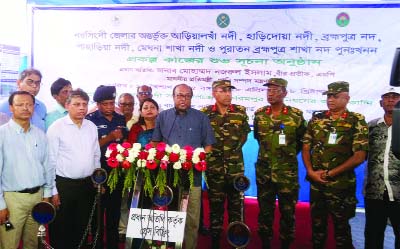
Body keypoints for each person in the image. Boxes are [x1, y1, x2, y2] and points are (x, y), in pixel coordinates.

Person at [302, 81, 368, 249]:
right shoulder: (317, 119)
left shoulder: (356, 120)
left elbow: (359, 156)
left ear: (346, 98)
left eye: (335, 96)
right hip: (317, 183)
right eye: (329, 96)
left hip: (341, 185)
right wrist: (310, 171)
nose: (330, 99)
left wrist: (330, 174)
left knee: (341, 229)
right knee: (317, 228)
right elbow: (306, 147)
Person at [152, 84, 216, 249]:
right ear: (173, 97)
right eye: (180, 95)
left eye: (187, 96)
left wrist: (199, 159)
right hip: (168, 175)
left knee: (192, 217)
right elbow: (156, 142)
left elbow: (209, 146)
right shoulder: (163, 117)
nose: (183, 99)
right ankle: (171, 245)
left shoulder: (201, 118)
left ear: (191, 98)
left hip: (192, 175)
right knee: (170, 214)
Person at [253, 78, 306, 249]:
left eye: (276, 90)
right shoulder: (260, 114)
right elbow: (259, 139)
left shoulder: (296, 115)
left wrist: (285, 157)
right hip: (264, 173)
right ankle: (265, 243)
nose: (271, 93)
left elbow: (301, 141)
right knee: (265, 211)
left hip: (286, 173)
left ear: (285, 93)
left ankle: (285, 244)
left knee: (288, 212)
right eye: (269, 90)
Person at [47, 89, 100, 249]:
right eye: (77, 104)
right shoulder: (57, 127)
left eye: (84, 104)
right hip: (64, 186)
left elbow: (96, 155)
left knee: (82, 224)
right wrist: (53, 191)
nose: (82, 108)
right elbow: (50, 161)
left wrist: (97, 180)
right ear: (67, 105)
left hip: (87, 185)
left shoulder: (91, 126)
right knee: (62, 226)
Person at [200, 79, 250, 249]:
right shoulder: (205, 113)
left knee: (236, 204)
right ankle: (215, 239)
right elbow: (202, 138)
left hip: (236, 168)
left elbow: (244, 136)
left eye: (230, 91)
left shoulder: (240, 112)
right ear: (214, 93)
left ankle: (236, 238)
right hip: (215, 167)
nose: (228, 94)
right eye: (224, 91)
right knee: (216, 205)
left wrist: (233, 151)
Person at [0, 91, 53, 249]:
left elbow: (47, 166)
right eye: (20, 104)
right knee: (9, 243)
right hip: (12, 200)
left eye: (29, 104)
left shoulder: (40, 134)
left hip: (38, 198)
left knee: (33, 243)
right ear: (11, 107)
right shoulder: (2, 134)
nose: (25, 108)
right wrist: (1, 205)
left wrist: (47, 195)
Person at [86, 85, 127, 249]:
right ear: (98, 104)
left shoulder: (120, 118)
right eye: (105, 104)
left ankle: (112, 244)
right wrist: (110, 137)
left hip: (116, 171)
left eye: (112, 103)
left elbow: (123, 141)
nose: (109, 107)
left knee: (114, 210)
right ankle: (96, 244)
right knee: (97, 210)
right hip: (98, 170)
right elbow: (90, 146)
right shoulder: (90, 119)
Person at [364, 86, 400, 249]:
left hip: (399, 191)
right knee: (373, 235)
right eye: (387, 97)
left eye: (395, 97)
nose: (391, 100)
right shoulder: (370, 127)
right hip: (375, 191)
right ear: (380, 103)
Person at [117, 93, 138, 241]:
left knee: (135, 199)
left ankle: (135, 228)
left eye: (130, 104)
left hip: (136, 167)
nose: (127, 107)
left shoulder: (138, 122)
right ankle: (122, 229)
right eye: (123, 104)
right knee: (122, 199)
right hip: (117, 166)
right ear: (119, 105)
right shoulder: (115, 120)